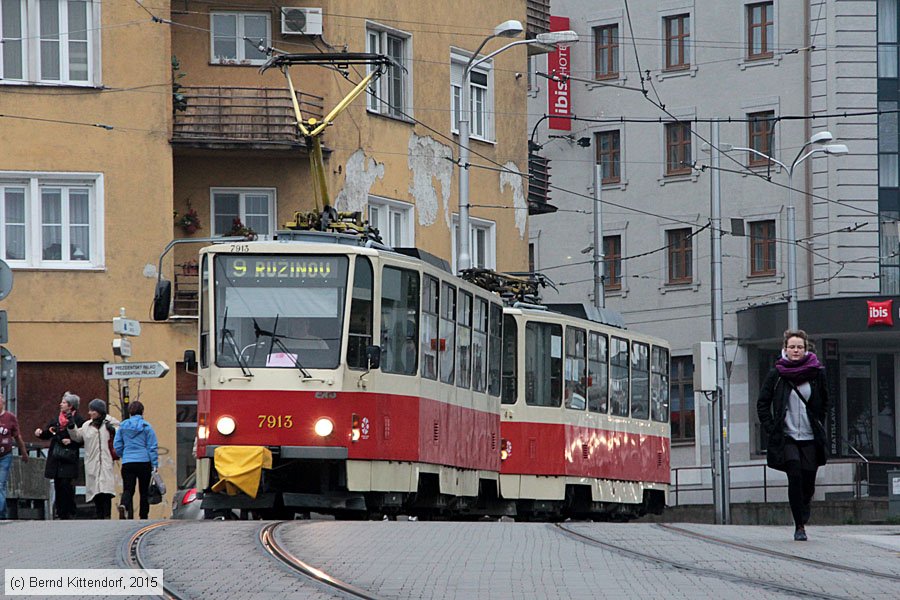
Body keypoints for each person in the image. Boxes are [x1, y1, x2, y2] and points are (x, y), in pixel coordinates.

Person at [757, 329, 830, 542]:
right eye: (792, 347)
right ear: (785, 349)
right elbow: (763, 403)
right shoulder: (777, 374)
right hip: (787, 436)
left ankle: (805, 504)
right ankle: (799, 525)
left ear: (806, 349)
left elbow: (825, 401)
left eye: (799, 347)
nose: (795, 350)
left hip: (809, 435)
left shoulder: (817, 373)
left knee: (808, 480)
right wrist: (772, 428)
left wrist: (819, 421)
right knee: (795, 474)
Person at [35, 392, 84, 520]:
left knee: (66, 484)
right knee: (58, 483)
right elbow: (48, 433)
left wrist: (71, 442)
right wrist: (40, 433)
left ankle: (69, 509)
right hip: (57, 456)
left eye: (63, 402)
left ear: (71, 406)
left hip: (69, 456)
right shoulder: (56, 420)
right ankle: (61, 512)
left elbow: (82, 438)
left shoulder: (78, 420)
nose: (60, 404)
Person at [67, 399, 119, 519]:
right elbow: (77, 437)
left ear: (99, 412)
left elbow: (120, 432)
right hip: (92, 462)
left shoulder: (110, 422)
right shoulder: (87, 425)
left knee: (106, 490)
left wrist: (112, 430)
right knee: (95, 490)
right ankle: (99, 514)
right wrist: (71, 426)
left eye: (92, 410)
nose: (89, 413)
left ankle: (107, 515)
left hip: (105, 462)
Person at [114, 400, 158, 519]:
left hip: (128, 462)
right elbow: (152, 447)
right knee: (144, 491)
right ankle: (143, 516)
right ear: (142, 412)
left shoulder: (122, 426)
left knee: (128, 488)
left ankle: (123, 505)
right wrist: (154, 464)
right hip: (144, 462)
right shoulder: (147, 427)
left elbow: (117, 444)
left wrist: (124, 454)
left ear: (130, 412)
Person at [0, 392, 28, 519]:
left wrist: (23, 452)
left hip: (5, 455)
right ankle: (3, 512)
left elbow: (17, 436)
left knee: (1, 483)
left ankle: (1, 512)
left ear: (3, 402)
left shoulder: (10, 417)